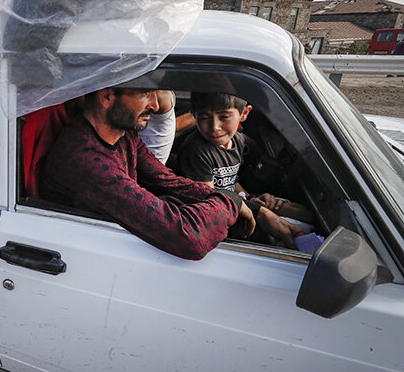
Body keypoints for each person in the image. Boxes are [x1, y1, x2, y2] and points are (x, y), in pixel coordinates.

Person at [39, 86, 256, 261]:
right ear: (107, 96)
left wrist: (252, 207)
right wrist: (231, 202)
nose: (154, 104)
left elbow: (168, 181)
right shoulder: (86, 161)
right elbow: (189, 237)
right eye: (144, 94)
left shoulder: (123, 136)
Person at [176, 92, 310, 249]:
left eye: (224, 117)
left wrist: (251, 198)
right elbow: (208, 198)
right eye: (204, 118)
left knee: (304, 218)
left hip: (237, 205)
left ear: (244, 113)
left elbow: (232, 180)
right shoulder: (195, 150)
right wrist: (260, 211)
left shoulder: (238, 141)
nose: (215, 127)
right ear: (194, 116)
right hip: (217, 217)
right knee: (291, 235)